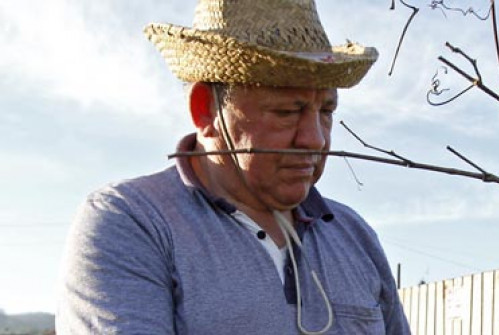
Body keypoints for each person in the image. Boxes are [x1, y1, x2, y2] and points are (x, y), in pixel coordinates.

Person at [56, 0, 411, 333]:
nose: (315, 139)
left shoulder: (354, 237)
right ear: (205, 111)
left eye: (326, 112)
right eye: (287, 112)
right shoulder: (133, 222)